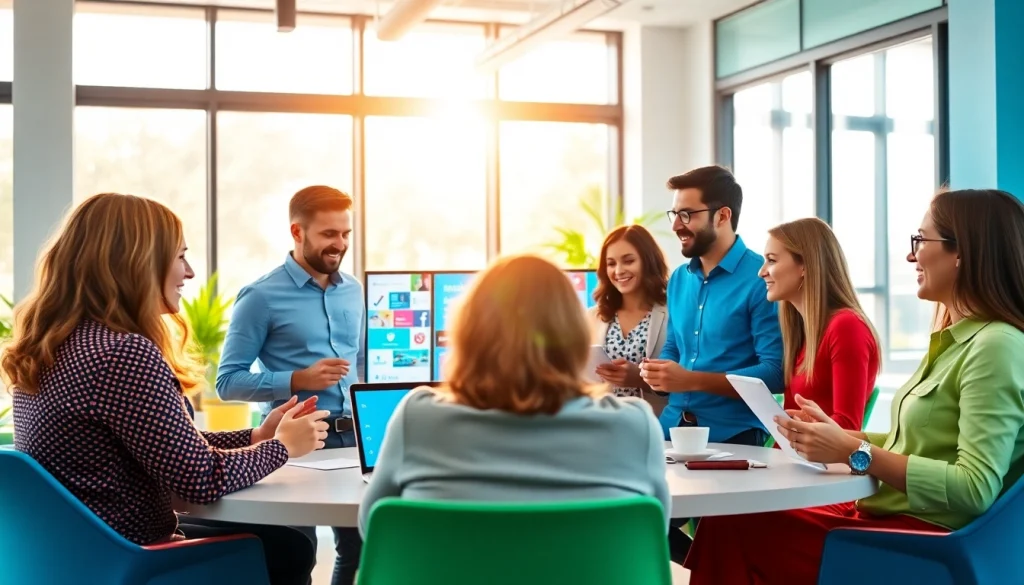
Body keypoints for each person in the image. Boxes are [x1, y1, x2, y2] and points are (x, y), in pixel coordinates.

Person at [684, 189, 1024, 585]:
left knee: (735, 529)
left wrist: (853, 450)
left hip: (923, 541)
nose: (911, 256)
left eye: (920, 241)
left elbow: (974, 487)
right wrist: (844, 436)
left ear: (961, 252)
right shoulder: (957, 339)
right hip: (888, 518)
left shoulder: (996, 346)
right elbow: (917, 441)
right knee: (731, 522)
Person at [0, 193, 327, 585]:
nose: (189, 272)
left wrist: (256, 435)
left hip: (71, 556)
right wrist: (282, 447)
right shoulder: (122, 353)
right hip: (129, 557)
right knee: (289, 548)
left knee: (281, 540)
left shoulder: (50, 346)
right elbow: (199, 480)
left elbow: (164, 443)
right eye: (180, 256)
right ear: (135, 264)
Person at [358, 254, 670, 536]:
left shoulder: (418, 416)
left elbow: (373, 525)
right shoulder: (633, 424)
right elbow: (653, 531)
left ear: (470, 333)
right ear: (574, 334)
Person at [216, 185, 365, 585]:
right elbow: (227, 382)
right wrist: (297, 380)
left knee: (361, 550)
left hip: (354, 443)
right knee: (296, 554)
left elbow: (361, 367)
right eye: (328, 234)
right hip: (295, 445)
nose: (340, 244)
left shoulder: (353, 291)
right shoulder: (260, 297)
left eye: (346, 234)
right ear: (297, 233)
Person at [638, 165, 784, 562]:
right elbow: (674, 345)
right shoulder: (680, 280)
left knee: (723, 550)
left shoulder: (761, 279)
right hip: (671, 432)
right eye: (675, 215)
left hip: (732, 440)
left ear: (723, 215)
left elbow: (774, 372)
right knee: (635, 523)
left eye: (688, 214)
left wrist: (692, 380)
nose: (678, 225)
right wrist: (661, 372)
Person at [759, 217, 880, 430]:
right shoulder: (803, 332)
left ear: (804, 266)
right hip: (792, 458)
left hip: (824, 463)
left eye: (772, 260)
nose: (762, 272)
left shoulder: (847, 326)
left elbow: (848, 429)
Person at [586, 225, 669, 417]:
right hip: (604, 424)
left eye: (629, 261)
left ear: (648, 262)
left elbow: (684, 383)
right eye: (611, 263)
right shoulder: (593, 317)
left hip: (655, 426)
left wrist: (640, 379)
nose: (619, 271)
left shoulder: (673, 314)